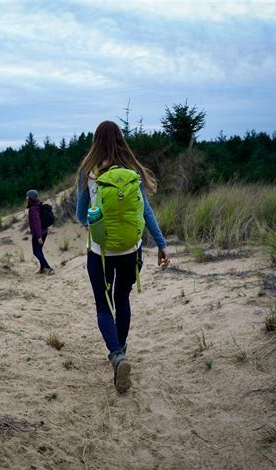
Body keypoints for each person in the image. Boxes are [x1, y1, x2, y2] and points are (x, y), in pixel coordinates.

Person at [75, 120, 170, 393]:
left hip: (99, 252)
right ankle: (123, 349)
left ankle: (117, 356)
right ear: (120, 140)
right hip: (131, 250)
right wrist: (161, 244)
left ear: (95, 141)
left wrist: (98, 217)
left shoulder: (88, 173)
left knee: (103, 306)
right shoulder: (132, 171)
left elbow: (82, 217)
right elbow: (146, 213)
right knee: (122, 299)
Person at [26, 189, 54, 275]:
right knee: (39, 250)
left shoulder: (33, 209)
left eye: (27, 197)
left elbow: (37, 223)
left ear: (30, 198)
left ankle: (48, 268)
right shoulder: (38, 204)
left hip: (39, 233)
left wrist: (38, 236)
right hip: (44, 231)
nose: (26, 198)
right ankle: (42, 268)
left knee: (36, 252)